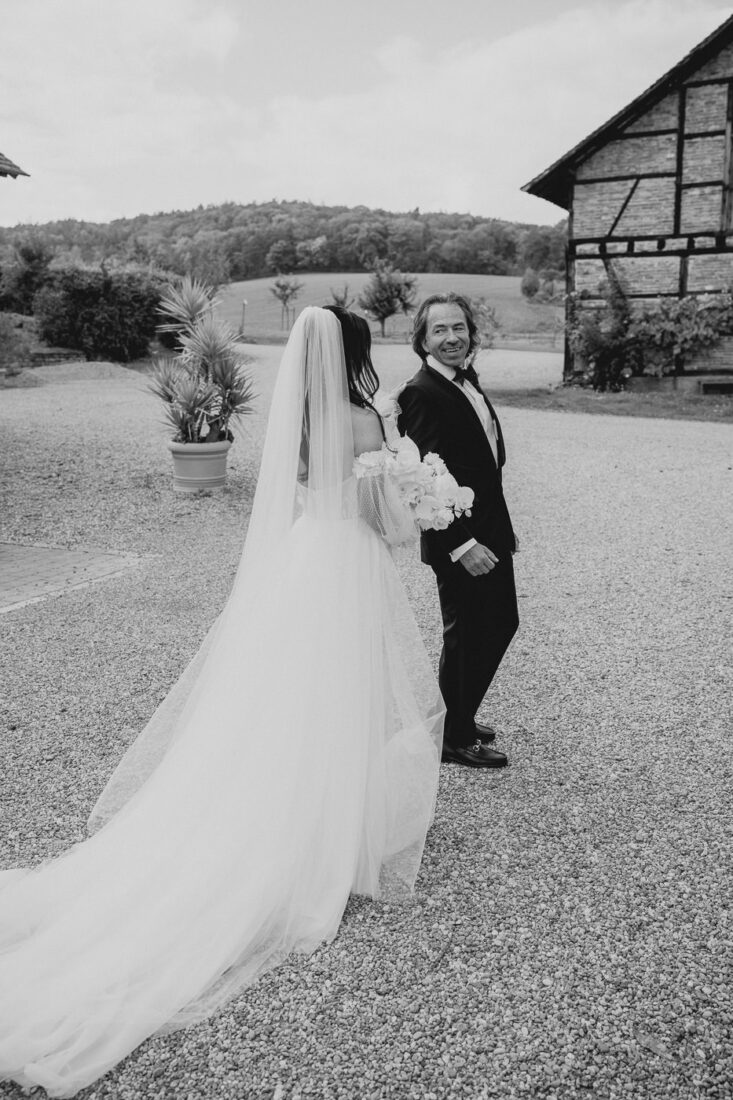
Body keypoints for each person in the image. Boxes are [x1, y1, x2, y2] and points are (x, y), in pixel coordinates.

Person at [0, 307, 443, 1098]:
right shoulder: (357, 416)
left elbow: (315, 493)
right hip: (345, 565)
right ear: (351, 353)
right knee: (341, 695)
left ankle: (287, 807)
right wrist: (421, 498)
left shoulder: (301, 418)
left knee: (289, 699)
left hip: (305, 558)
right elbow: (381, 519)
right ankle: (323, 841)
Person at [397, 293, 518, 769]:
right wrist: (462, 545)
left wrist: (500, 527)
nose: (452, 338)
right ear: (422, 339)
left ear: (471, 333)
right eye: (440, 330)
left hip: (489, 527)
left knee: (497, 623)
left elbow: (485, 463)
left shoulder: (465, 381)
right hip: (460, 539)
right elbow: (420, 481)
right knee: (469, 633)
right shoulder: (421, 392)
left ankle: (456, 714)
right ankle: (453, 736)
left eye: (459, 328)